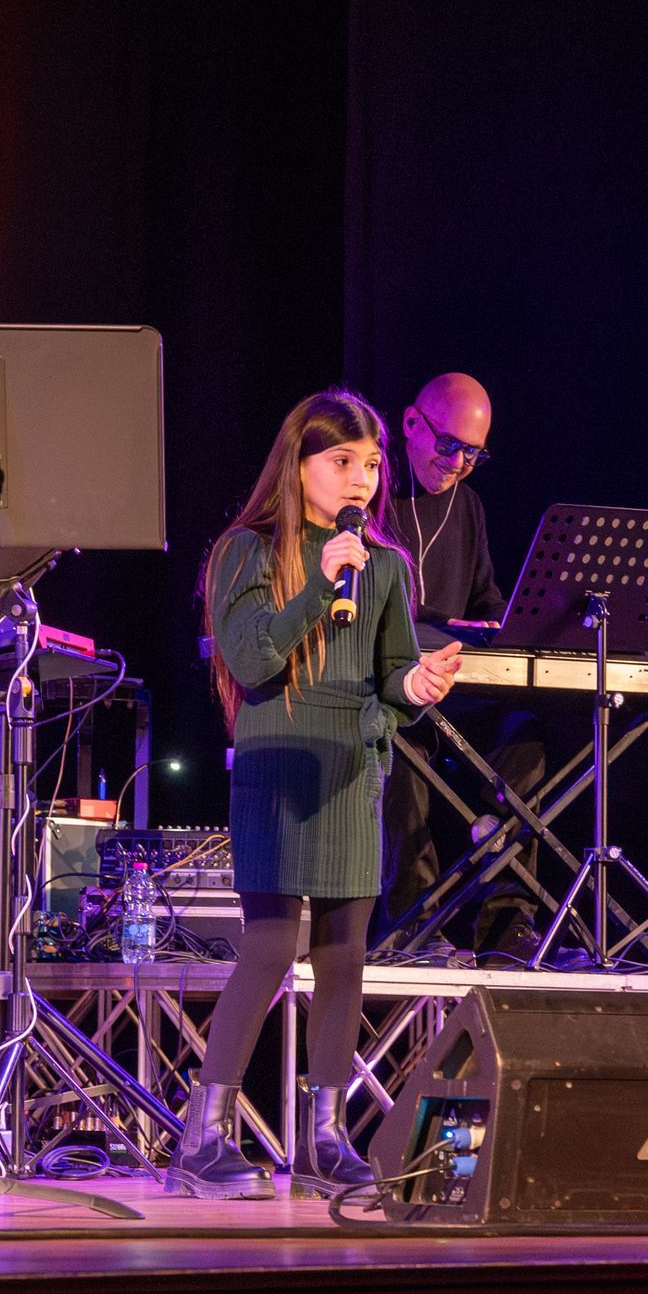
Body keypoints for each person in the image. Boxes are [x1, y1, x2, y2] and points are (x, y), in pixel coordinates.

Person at [169, 389, 461, 1198]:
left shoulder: (389, 567)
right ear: (298, 467)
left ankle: (326, 1137)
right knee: (269, 947)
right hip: (277, 762)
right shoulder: (246, 552)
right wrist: (317, 582)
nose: (361, 478)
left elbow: (392, 670)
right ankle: (203, 1135)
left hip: (350, 764)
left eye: (371, 464)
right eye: (342, 462)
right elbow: (256, 660)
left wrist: (418, 681)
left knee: (343, 955)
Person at [380, 368, 542, 939]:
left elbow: (485, 599)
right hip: (396, 688)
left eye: (473, 454)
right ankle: (412, 928)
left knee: (525, 739)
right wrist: (445, 623)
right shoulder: (372, 495)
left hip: (460, 685)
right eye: (448, 445)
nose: (457, 464)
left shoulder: (468, 505)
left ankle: (509, 924)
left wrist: (507, 621)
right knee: (399, 747)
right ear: (410, 424)